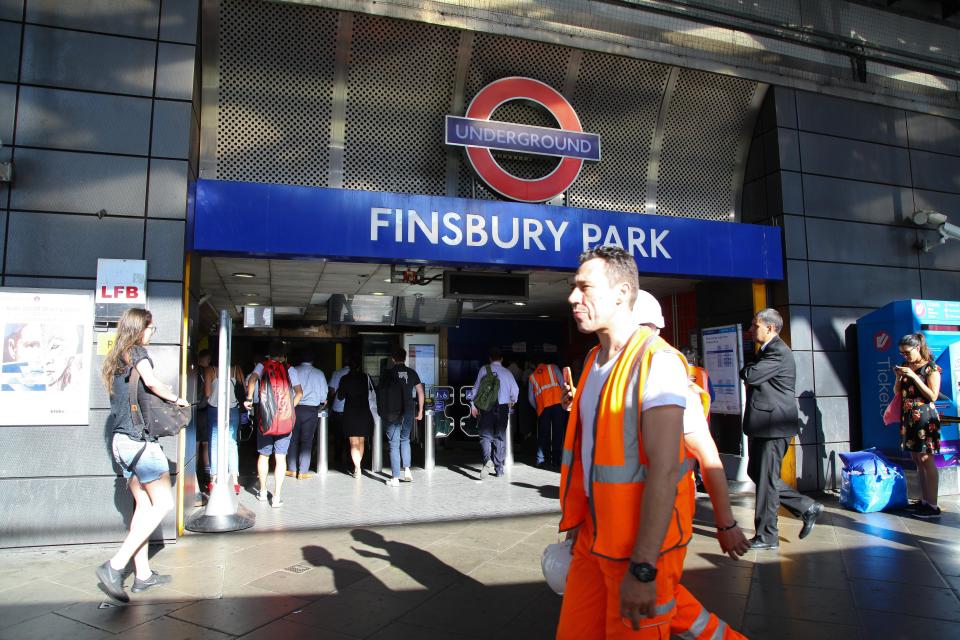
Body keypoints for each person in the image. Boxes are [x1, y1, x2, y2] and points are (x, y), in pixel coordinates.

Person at [557, 246, 745, 640]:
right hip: (595, 538)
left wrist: (644, 567)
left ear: (622, 293)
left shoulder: (658, 362)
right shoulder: (593, 361)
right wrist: (579, 522)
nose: (573, 298)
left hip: (640, 548)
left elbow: (663, 471)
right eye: (574, 288)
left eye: (584, 287)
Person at [95, 308, 188, 602]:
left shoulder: (116, 360)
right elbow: (151, 383)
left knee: (144, 508)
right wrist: (176, 398)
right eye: (152, 328)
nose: (153, 333)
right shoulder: (137, 354)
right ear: (140, 328)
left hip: (121, 443)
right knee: (162, 505)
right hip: (140, 443)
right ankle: (115, 566)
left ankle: (143, 575)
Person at [740, 308, 823, 551]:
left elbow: (751, 375)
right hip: (765, 425)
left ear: (771, 328)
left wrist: (747, 370)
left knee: (765, 481)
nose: (751, 329)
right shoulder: (766, 352)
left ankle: (767, 535)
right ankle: (806, 507)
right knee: (760, 475)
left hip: (773, 426)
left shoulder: (777, 353)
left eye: (755, 325)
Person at [244, 342, 302, 508]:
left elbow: (253, 379)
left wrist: (249, 398)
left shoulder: (262, 366)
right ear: (284, 356)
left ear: (269, 355)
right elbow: (299, 393)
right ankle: (276, 496)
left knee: (264, 455)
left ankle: (262, 491)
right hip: (285, 419)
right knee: (281, 457)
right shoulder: (290, 369)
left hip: (266, 418)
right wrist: (290, 408)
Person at [895, 333, 943, 518]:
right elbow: (897, 391)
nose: (905, 357)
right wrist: (899, 377)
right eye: (902, 354)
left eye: (907, 353)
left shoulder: (931, 368)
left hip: (925, 417)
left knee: (925, 459)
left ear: (917, 348)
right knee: (916, 458)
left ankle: (933, 504)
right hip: (909, 417)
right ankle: (923, 500)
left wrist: (913, 377)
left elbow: (932, 396)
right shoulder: (907, 366)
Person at [470, 347, 519, 478]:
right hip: (503, 407)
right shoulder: (507, 372)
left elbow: (475, 390)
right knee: (500, 436)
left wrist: (473, 406)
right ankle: (499, 469)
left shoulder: (484, 370)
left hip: (486, 407)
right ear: (502, 359)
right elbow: (515, 391)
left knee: (485, 436)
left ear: (490, 359)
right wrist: (512, 400)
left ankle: (487, 461)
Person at [381, 347, 425, 486]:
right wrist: (421, 410)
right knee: (405, 439)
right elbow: (420, 392)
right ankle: (407, 471)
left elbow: (381, 393)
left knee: (394, 444)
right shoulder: (412, 373)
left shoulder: (388, 373)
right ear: (404, 358)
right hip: (408, 410)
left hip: (392, 411)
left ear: (393, 359)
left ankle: (395, 478)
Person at [287, 350, 328, 480]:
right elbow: (323, 396)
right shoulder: (319, 373)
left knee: (292, 439)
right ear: (312, 360)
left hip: (294, 408)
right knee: (307, 440)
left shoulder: (293, 371)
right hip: (311, 410)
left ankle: (292, 469)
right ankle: (303, 471)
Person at [205, 357, 243, 496]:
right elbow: (242, 388)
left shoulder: (211, 370)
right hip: (232, 409)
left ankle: (213, 479)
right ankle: (234, 481)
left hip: (215, 409)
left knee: (214, 442)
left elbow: (207, 393)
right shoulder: (236, 369)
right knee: (232, 443)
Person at [336, 355, 375, 478]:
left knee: (353, 443)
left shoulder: (344, 379)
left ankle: (357, 468)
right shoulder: (365, 377)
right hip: (364, 412)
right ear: (359, 366)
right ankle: (359, 467)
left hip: (350, 412)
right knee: (361, 441)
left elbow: (340, 397)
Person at [527, 358, 565, 468]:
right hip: (558, 404)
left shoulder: (532, 376)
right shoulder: (553, 367)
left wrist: (538, 407)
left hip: (543, 408)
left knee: (543, 434)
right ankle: (556, 460)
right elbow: (563, 384)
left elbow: (530, 398)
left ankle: (541, 460)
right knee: (558, 432)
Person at [328, 359, 350, 468]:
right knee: (350, 434)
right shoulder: (359, 375)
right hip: (352, 410)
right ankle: (350, 457)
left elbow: (332, 391)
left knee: (338, 435)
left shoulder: (336, 373)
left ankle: (338, 457)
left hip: (338, 408)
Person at [195, 349, 212, 488]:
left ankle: (193, 472)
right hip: (205, 410)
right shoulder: (206, 372)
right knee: (205, 443)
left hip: (193, 411)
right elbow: (208, 393)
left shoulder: (192, 372)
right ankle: (207, 473)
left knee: (195, 443)